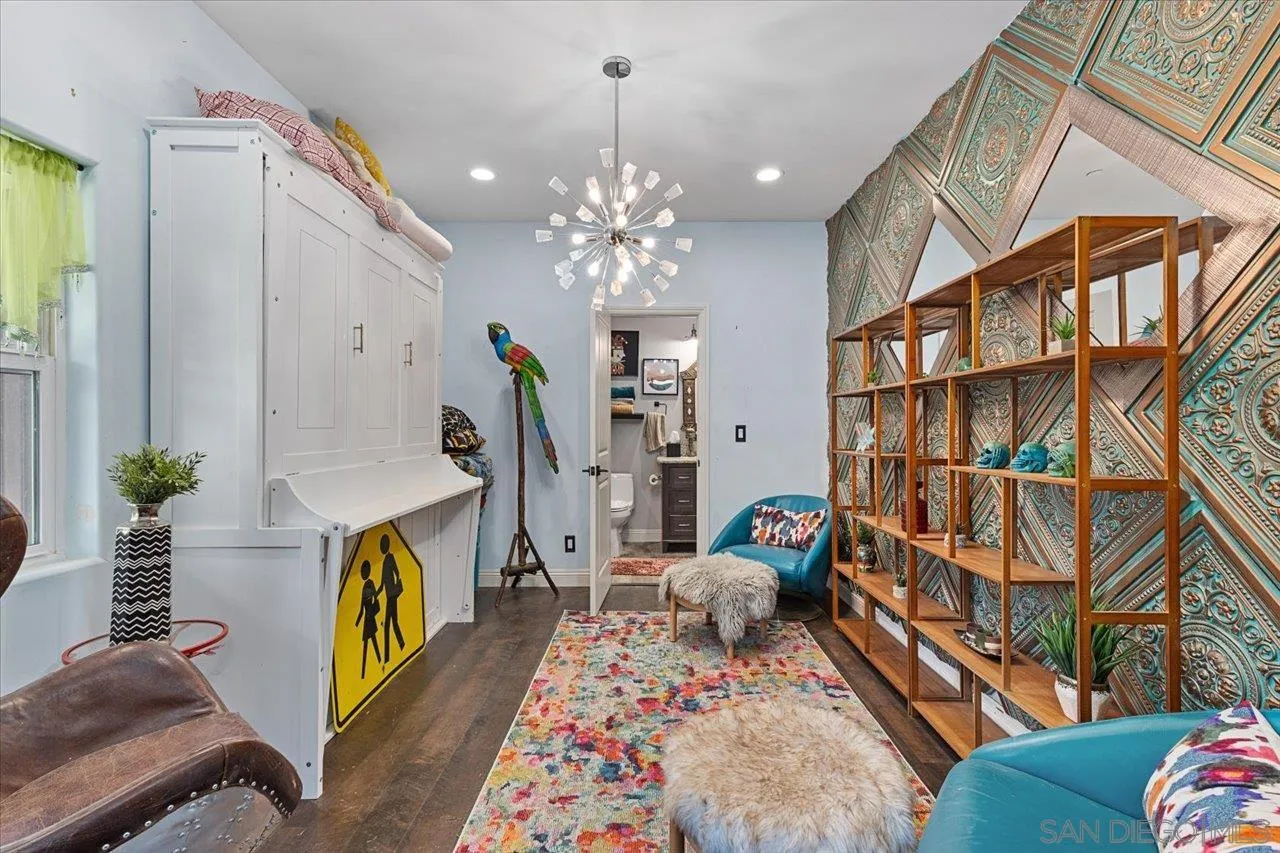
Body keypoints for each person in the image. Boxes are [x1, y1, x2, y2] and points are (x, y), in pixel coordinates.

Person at [379, 533, 405, 668]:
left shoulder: (390, 557)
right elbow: (382, 582)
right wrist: (376, 594)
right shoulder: (384, 561)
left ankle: (389, 655)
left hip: (392, 596)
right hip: (389, 595)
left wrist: (395, 587)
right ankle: (400, 645)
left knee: (390, 624)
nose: (381, 548)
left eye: (383, 545)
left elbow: (397, 572)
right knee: (392, 623)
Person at [355, 559, 382, 679]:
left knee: (374, 642)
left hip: (370, 617)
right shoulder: (362, 588)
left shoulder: (370, 583)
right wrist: (356, 623)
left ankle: (380, 662)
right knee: (367, 644)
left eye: (364, 571)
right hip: (366, 619)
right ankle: (363, 673)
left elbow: (376, 598)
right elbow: (361, 608)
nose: (363, 573)